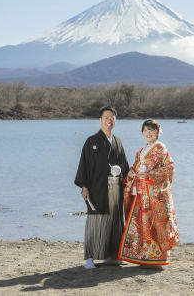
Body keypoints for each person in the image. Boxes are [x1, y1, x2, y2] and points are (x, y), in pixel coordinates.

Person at [118, 119, 179, 267]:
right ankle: (144, 255)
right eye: (146, 130)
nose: (148, 133)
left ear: (158, 132)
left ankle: (157, 257)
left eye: (151, 130)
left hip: (154, 193)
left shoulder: (161, 148)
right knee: (141, 223)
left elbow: (169, 168)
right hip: (140, 191)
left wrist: (150, 175)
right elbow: (135, 167)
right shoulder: (141, 151)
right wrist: (132, 173)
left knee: (154, 223)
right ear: (142, 133)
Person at [74, 106, 129, 269]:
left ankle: (111, 256)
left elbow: (124, 166)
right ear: (100, 120)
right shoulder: (91, 141)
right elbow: (84, 165)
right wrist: (84, 186)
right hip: (97, 188)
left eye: (112, 118)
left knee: (114, 221)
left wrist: (131, 179)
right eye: (106, 118)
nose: (109, 121)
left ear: (115, 121)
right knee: (96, 220)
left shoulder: (117, 141)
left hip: (115, 189)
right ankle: (90, 258)